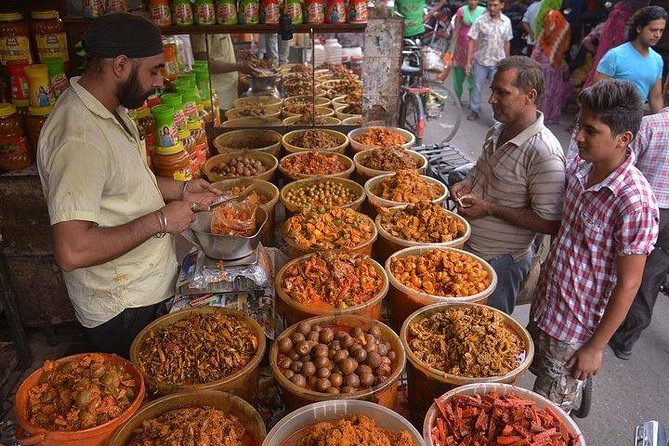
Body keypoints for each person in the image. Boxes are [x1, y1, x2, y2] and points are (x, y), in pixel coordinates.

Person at [36, 13, 222, 358]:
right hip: (122, 306)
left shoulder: (108, 107)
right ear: (120, 64)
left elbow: (125, 180)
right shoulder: (79, 138)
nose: (159, 81)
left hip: (146, 286)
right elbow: (71, 251)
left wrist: (181, 190)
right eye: (153, 70)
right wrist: (162, 222)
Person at [529, 79, 659, 412]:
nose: (579, 137)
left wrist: (595, 347)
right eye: (578, 127)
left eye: (591, 130)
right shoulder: (580, 166)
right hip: (548, 304)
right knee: (536, 386)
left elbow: (630, 284)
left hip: (576, 328)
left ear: (624, 139)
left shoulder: (635, 202)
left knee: (548, 416)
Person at [451, 56, 566, 314]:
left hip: (501, 263)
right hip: (468, 248)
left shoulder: (543, 152)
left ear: (529, 95)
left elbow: (550, 222)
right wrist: (467, 183)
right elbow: (480, 172)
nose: (491, 99)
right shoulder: (498, 130)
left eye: (502, 92)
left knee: (488, 329)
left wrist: (490, 209)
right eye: (493, 90)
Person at [608, 106, 669, 360]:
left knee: (623, 269)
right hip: (662, 215)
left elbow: (624, 163)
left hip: (642, 208)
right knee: (652, 275)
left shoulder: (652, 125)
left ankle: (604, 324)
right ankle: (626, 340)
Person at [594, 5, 666, 113]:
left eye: (661, 31)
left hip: (634, 121)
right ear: (639, 28)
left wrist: (663, 124)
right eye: (653, 30)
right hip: (609, 118)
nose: (658, 35)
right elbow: (597, 92)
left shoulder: (657, 60)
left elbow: (655, 98)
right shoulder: (615, 55)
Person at [465, 0, 514, 121]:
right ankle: (474, 109)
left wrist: (507, 63)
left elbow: (507, 42)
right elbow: (472, 40)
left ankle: (496, 117)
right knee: (477, 87)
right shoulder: (481, 20)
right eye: (490, 5)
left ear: (502, 5)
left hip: (498, 63)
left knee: (499, 91)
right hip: (481, 61)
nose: (492, 8)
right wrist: (468, 61)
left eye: (495, 5)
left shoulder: (506, 22)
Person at [584, 0, 650, 88]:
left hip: (602, 66)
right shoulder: (630, 31)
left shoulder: (602, 27)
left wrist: (599, 52)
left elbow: (586, 41)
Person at [191, 34, 260, 110]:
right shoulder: (202, 34)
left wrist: (239, 54)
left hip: (230, 87)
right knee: (224, 117)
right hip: (218, 91)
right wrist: (239, 66)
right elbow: (204, 63)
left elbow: (221, 54)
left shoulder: (222, 28)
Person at [531, 9, 572, 124]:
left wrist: (531, 63)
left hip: (545, 67)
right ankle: (547, 117)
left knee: (545, 92)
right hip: (555, 66)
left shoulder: (548, 32)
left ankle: (539, 117)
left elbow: (536, 50)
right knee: (550, 93)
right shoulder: (563, 30)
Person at [448, 0, 486, 102]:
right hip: (460, 48)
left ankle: (472, 101)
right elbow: (456, 30)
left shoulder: (484, 11)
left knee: (473, 78)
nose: (472, 2)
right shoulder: (461, 11)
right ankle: (457, 99)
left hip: (476, 49)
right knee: (458, 77)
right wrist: (451, 49)